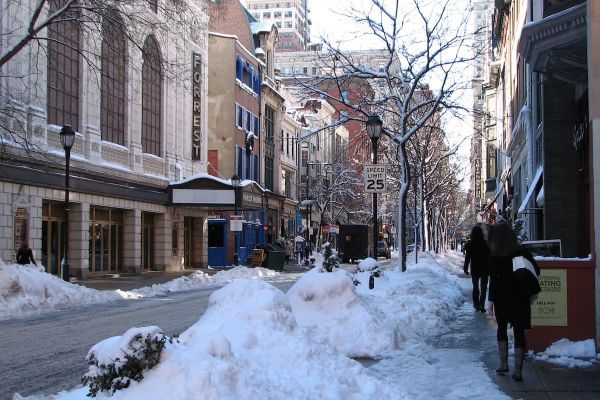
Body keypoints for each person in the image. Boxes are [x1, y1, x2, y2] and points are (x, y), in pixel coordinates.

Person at [487, 223, 539, 382]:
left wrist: (491, 301)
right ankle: (518, 371)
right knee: (519, 332)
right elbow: (536, 270)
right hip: (520, 297)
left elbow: (493, 280)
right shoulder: (522, 252)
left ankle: (503, 364)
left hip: (502, 298)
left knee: (501, 329)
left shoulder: (495, 255)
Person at [463, 225, 490, 312]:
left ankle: (476, 304)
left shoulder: (470, 244)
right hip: (485, 268)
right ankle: (481, 305)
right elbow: (490, 257)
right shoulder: (486, 243)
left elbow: (467, 257)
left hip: (475, 268)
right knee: (483, 288)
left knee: (475, 287)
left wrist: (465, 268)